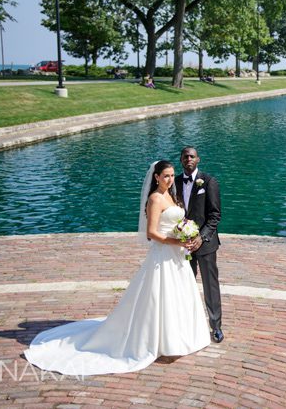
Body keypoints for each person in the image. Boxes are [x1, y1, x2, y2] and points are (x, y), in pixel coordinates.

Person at [24, 160, 210, 375]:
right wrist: (177, 241)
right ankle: (161, 342)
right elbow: (152, 233)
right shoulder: (155, 199)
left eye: (171, 175)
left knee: (179, 295)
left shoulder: (172, 196)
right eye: (165, 176)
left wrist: (186, 233)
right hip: (163, 255)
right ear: (156, 177)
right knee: (160, 296)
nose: (170, 179)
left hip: (177, 256)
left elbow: (177, 222)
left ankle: (181, 337)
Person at [174, 147, 223, 343]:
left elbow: (215, 216)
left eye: (192, 156)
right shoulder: (175, 182)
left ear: (198, 159)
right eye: (185, 157)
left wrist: (201, 238)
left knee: (210, 287)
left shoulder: (209, 182)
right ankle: (187, 324)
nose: (188, 159)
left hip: (205, 245)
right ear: (181, 160)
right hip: (182, 245)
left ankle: (216, 326)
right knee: (185, 285)